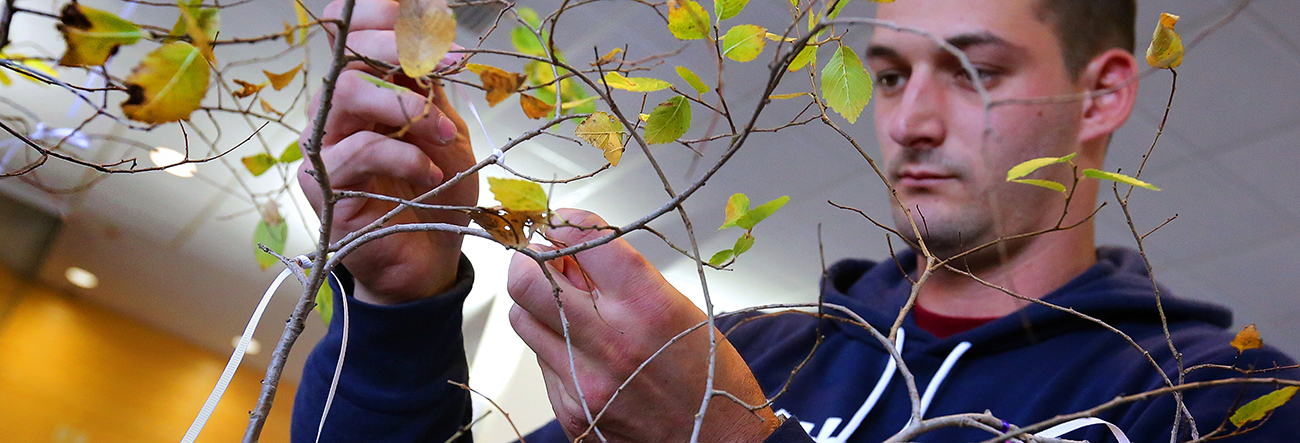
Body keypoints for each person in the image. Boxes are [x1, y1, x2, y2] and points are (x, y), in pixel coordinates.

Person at [291, 0, 1300, 442]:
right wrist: (394, 306)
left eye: (975, 70)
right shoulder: (750, 353)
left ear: (1103, 94)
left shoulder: (1218, 402)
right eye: (893, 74)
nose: (910, 118)